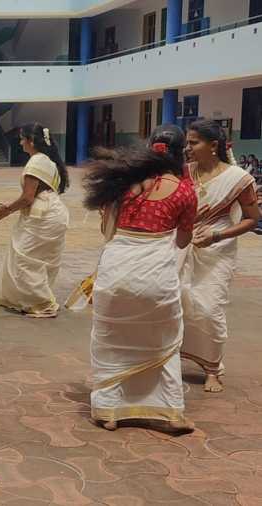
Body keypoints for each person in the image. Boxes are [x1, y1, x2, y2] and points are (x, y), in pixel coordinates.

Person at [82, 125, 197, 435]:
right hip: (155, 274)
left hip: (115, 270)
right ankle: (171, 413)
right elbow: (183, 241)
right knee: (164, 341)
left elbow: (107, 227)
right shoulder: (185, 190)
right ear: (181, 154)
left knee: (110, 339)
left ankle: (108, 411)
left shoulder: (123, 183)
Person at [179, 120, 260, 393]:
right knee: (179, 302)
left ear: (213, 145)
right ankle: (173, 356)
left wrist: (216, 236)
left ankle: (212, 369)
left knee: (210, 308)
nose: (188, 148)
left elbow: (252, 219)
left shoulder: (238, 179)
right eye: (187, 142)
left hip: (218, 250)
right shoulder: (184, 172)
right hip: (183, 246)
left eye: (194, 143)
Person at [0, 123, 70, 318]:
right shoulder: (48, 161)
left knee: (24, 259)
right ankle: (31, 298)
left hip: (44, 215)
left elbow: (27, 197)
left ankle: (42, 303)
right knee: (40, 260)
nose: (20, 142)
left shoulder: (37, 162)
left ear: (31, 141)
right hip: (53, 212)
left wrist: (7, 209)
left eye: (22, 139)